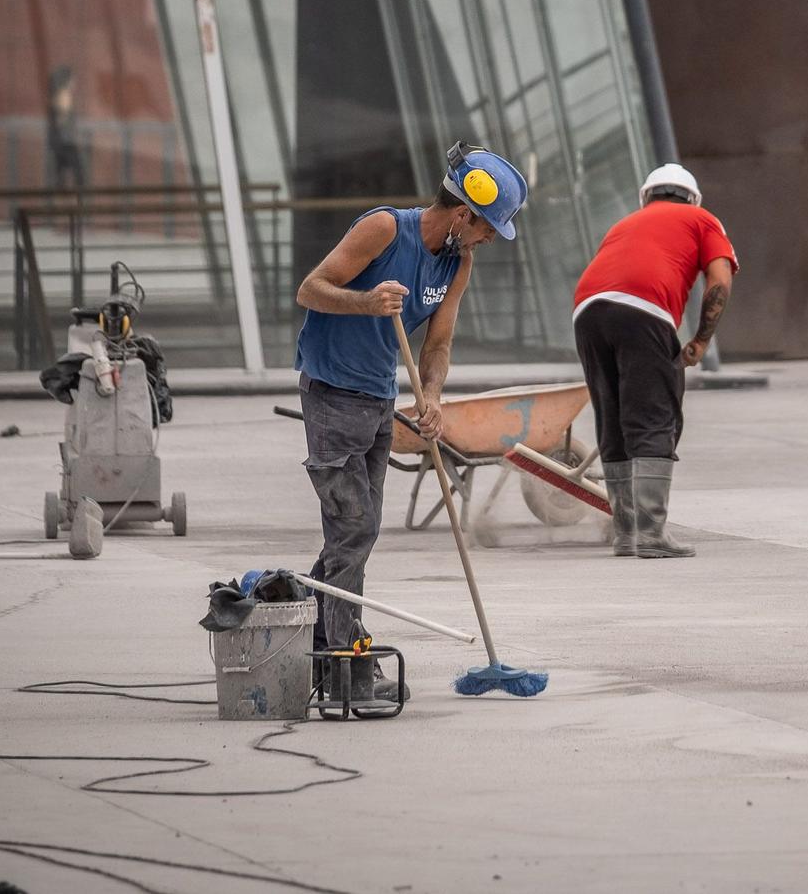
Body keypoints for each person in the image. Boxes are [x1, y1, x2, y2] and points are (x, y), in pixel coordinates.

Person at [293, 140, 528, 707]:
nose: (490, 239)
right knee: (355, 527)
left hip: (378, 398)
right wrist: (367, 302)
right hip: (332, 393)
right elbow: (311, 290)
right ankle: (347, 666)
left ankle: (306, 633)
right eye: (488, 227)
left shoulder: (457, 261)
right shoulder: (383, 229)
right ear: (463, 214)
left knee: (354, 530)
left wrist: (433, 396)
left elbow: (439, 341)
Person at [573, 163, 737, 559]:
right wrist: (700, 340)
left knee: (612, 418)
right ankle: (650, 534)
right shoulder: (702, 219)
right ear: (692, 198)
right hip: (645, 311)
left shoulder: (624, 224)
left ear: (646, 197)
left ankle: (625, 533)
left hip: (587, 310)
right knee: (652, 415)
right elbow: (720, 281)